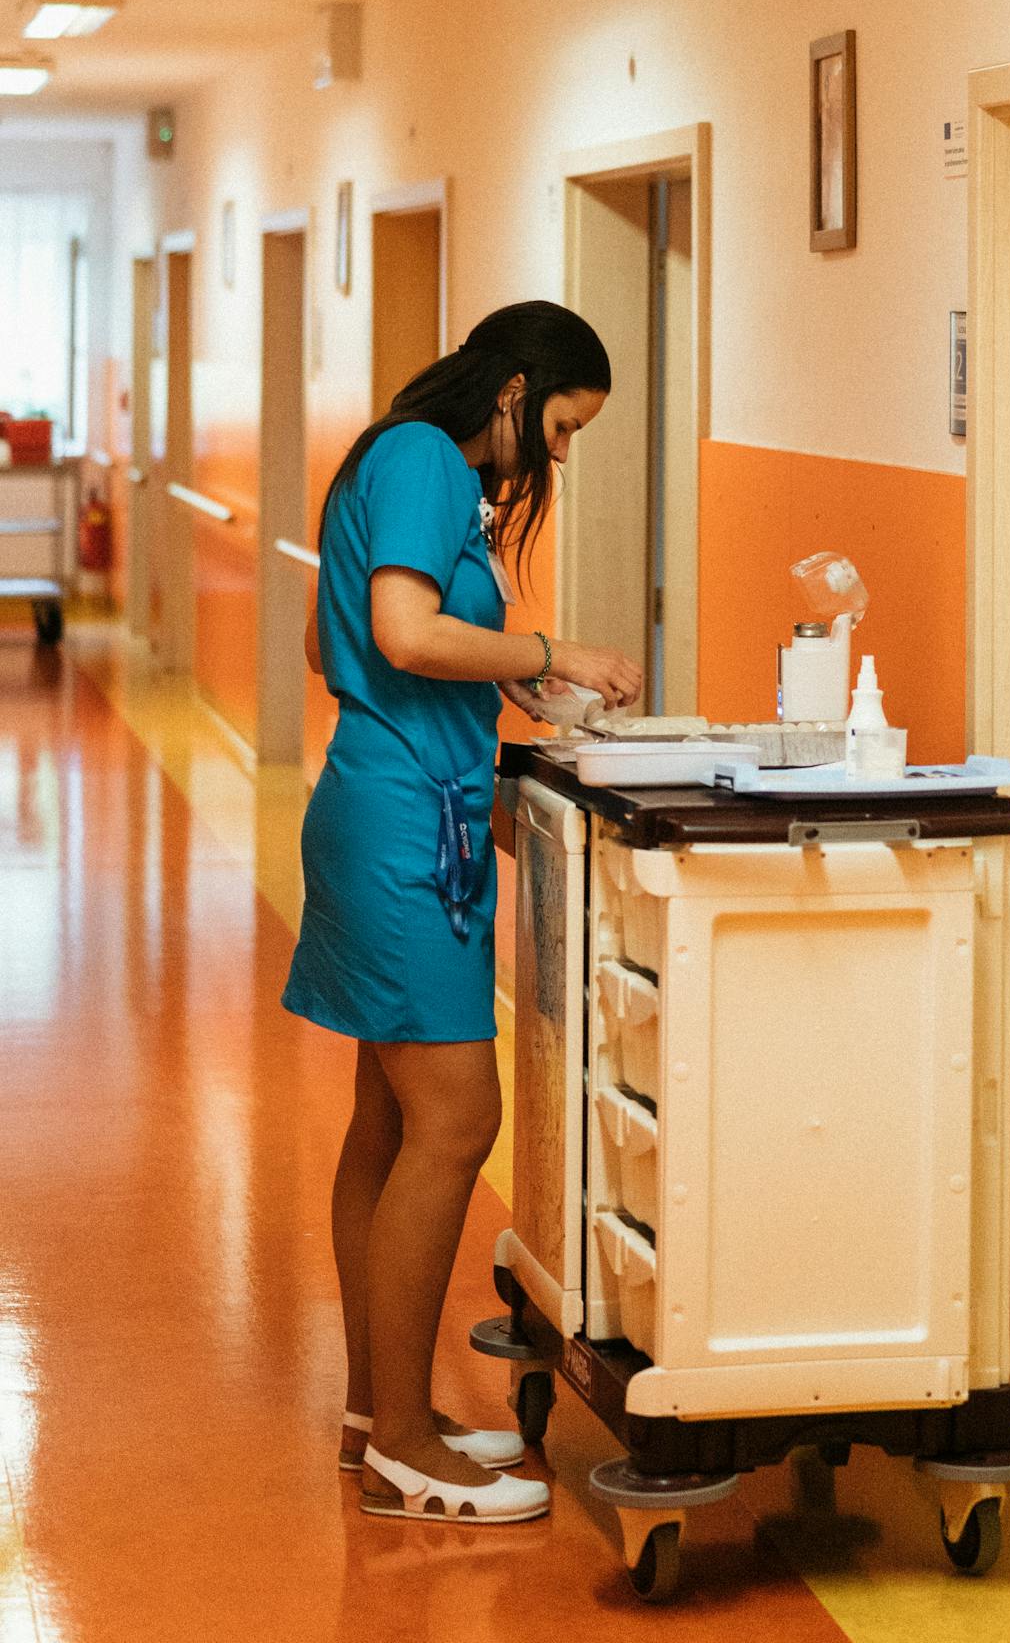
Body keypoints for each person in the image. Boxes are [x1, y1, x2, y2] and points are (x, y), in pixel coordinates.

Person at [282, 300, 648, 1523]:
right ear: (514, 388)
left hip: (388, 804)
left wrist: (518, 693)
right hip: (396, 836)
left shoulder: (395, 461)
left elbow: (346, 643)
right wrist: (561, 650)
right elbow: (399, 630)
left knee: (388, 1123)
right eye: (558, 423)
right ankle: (402, 1446)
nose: (554, 453)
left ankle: (377, 1412)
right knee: (456, 1121)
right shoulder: (429, 459)